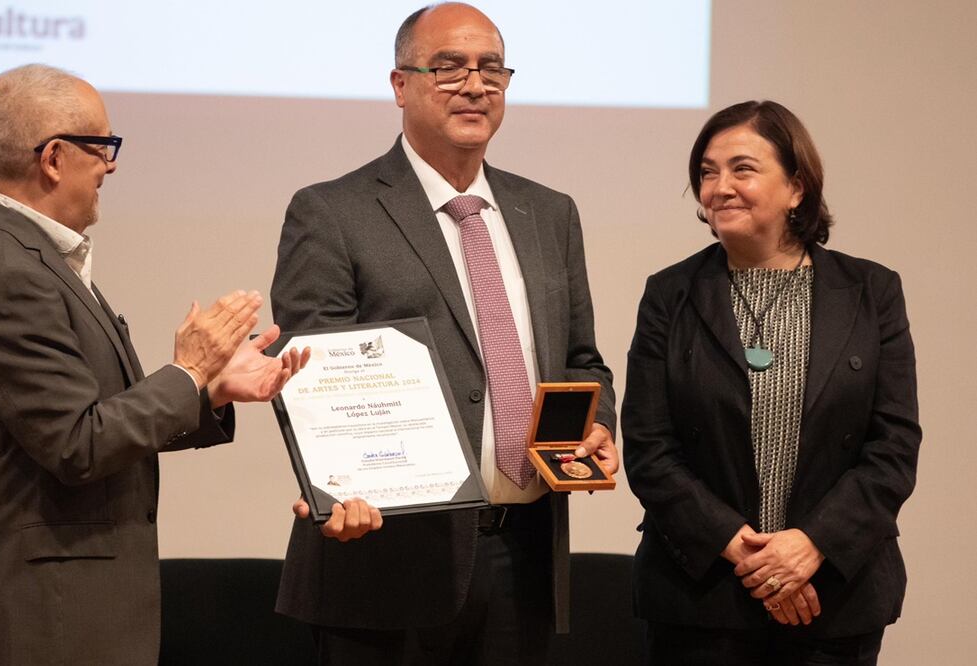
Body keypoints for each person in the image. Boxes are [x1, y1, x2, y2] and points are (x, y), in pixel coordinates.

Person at [270, 3, 617, 664]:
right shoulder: (333, 211)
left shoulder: (547, 212)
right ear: (400, 85)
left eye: (491, 69)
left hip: (524, 554)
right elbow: (313, 375)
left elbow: (581, 361)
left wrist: (594, 425)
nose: (474, 84)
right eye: (449, 67)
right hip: (383, 565)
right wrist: (333, 483)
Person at [0, 64, 307, 666]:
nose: (112, 164)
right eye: (102, 146)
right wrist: (188, 372)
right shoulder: (10, 275)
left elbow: (90, 415)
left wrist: (206, 390)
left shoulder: (31, 257)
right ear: (54, 158)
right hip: (47, 614)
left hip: (68, 602)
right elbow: (78, 445)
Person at [621, 100, 921, 665]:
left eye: (743, 169)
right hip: (701, 599)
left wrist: (811, 547)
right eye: (707, 172)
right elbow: (649, 448)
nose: (719, 187)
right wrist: (752, 558)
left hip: (833, 596)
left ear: (797, 188)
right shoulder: (670, 295)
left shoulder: (871, 292)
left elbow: (894, 447)